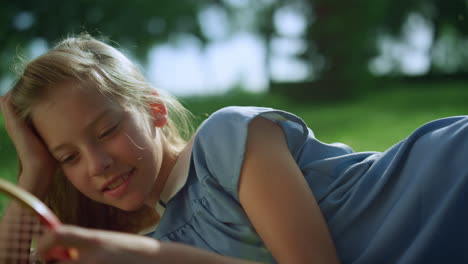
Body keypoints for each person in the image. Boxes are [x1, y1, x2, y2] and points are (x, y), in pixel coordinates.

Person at [0, 34, 467, 264]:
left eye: (105, 131)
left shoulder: (226, 141)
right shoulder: (157, 246)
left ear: (155, 110)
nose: (97, 163)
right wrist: (34, 172)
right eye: (69, 157)